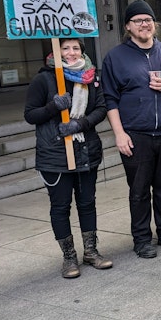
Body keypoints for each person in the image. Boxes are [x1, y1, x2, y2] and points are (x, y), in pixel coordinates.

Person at [101, 0, 161, 259]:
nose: (144, 24)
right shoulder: (115, 58)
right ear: (128, 27)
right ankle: (141, 239)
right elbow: (109, 99)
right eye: (138, 21)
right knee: (139, 190)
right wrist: (119, 133)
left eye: (148, 20)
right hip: (136, 135)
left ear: (155, 24)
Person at [24, 37, 112, 278]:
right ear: (56, 50)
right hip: (54, 156)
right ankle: (69, 257)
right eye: (65, 48)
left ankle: (91, 251)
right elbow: (30, 115)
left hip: (86, 152)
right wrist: (54, 107)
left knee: (87, 203)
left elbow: (101, 109)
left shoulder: (91, 77)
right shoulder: (44, 79)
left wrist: (80, 124)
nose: (71, 52)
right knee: (60, 206)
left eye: (76, 48)